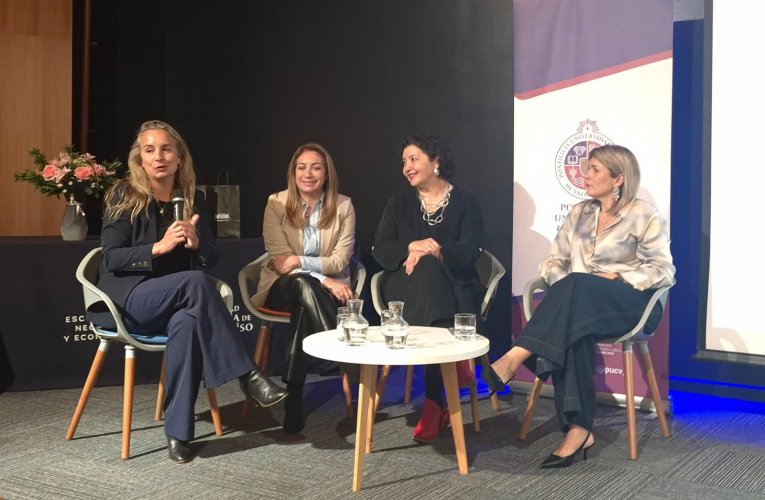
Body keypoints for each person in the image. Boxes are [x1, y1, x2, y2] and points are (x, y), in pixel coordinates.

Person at [90, 120, 288, 463]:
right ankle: (248, 376)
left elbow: (210, 257)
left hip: (179, 303)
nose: (159, 157)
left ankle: (178, 433)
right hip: (132, 300)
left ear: (179, 157)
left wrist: (197, 244)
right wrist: (158, 247)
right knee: (196, 283)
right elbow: (110, 257)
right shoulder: (125, 195)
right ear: (140, 159)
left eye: (166, 149)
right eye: (150, 150)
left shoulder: (192, 199)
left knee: (187, 325)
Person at [483, 144, 675, 468]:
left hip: (631, 304)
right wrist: (568, 287)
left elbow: (663, 270)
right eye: (587, 169)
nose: (586, 175)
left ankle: (516, 356)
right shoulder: (579, 213)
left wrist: (618, 276)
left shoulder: (644, 214)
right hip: (582, 306)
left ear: (618, 178)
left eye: (595, 170)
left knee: (577, 292)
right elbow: (552, 261)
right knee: (574, 316)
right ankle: (579, 430)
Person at [372, 133, 486, 443]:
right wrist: (411, 246)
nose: (406, 167)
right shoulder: (399, 202)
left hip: (455, 287)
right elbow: (380, 248)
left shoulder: (466, 202)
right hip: (404, 288)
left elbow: (473, 249)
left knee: (430, 267)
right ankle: (447, 375)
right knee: (425, 270)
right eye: (404, 162)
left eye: (414, 159)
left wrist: (436, 251)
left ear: (435, 161)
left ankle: (435, 402)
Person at [250, 142, 356, 433]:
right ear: (293, 172)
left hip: (317, 295)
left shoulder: (343, 206)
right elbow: (281, 262)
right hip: (282, 287)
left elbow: (340, 260)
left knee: (303, 308)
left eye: (316, 167)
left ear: (326, 173)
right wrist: (324, 280)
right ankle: (345, 353)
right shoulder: (276, 203)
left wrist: (299, 260)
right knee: (300, 282)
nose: (308, 174)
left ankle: (293, 396)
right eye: (302, 167)